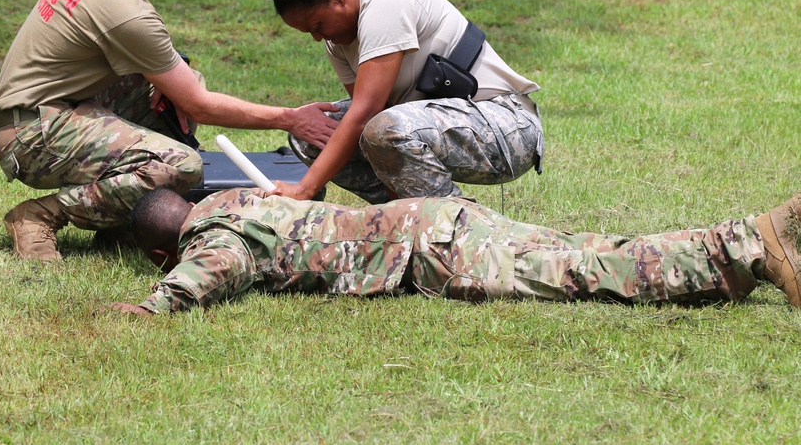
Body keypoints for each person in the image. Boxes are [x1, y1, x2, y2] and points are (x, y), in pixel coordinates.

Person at [0, 0, 337, 261]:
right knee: (180, 165)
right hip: (28, 134)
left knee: (176, 96)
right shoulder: (128, 14)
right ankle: (41, 215)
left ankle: (116, 221)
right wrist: (290, 119)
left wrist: (176, 89)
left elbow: (169, 77)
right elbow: (197, 102)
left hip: (51, 104)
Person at [108, 187, 801, 316]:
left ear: (165, 248)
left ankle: (747, 242)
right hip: (435, 217)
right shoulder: (237, 198)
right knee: (582, 251)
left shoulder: (211, 236)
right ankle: (749, 253)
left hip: (429, 249)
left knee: (582, 270)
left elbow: (213, 268)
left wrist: (152, 305)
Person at [262, 0, 543, 203]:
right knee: (310, 132)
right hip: (435, 127)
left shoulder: (386, 3)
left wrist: (305, 188)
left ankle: (459, 224)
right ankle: (402, 216)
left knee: (382, 127)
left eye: (317, 26)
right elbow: (371, 123)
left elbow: (366, 114)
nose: (317, 37)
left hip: (507, 129)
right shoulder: (336, 42)